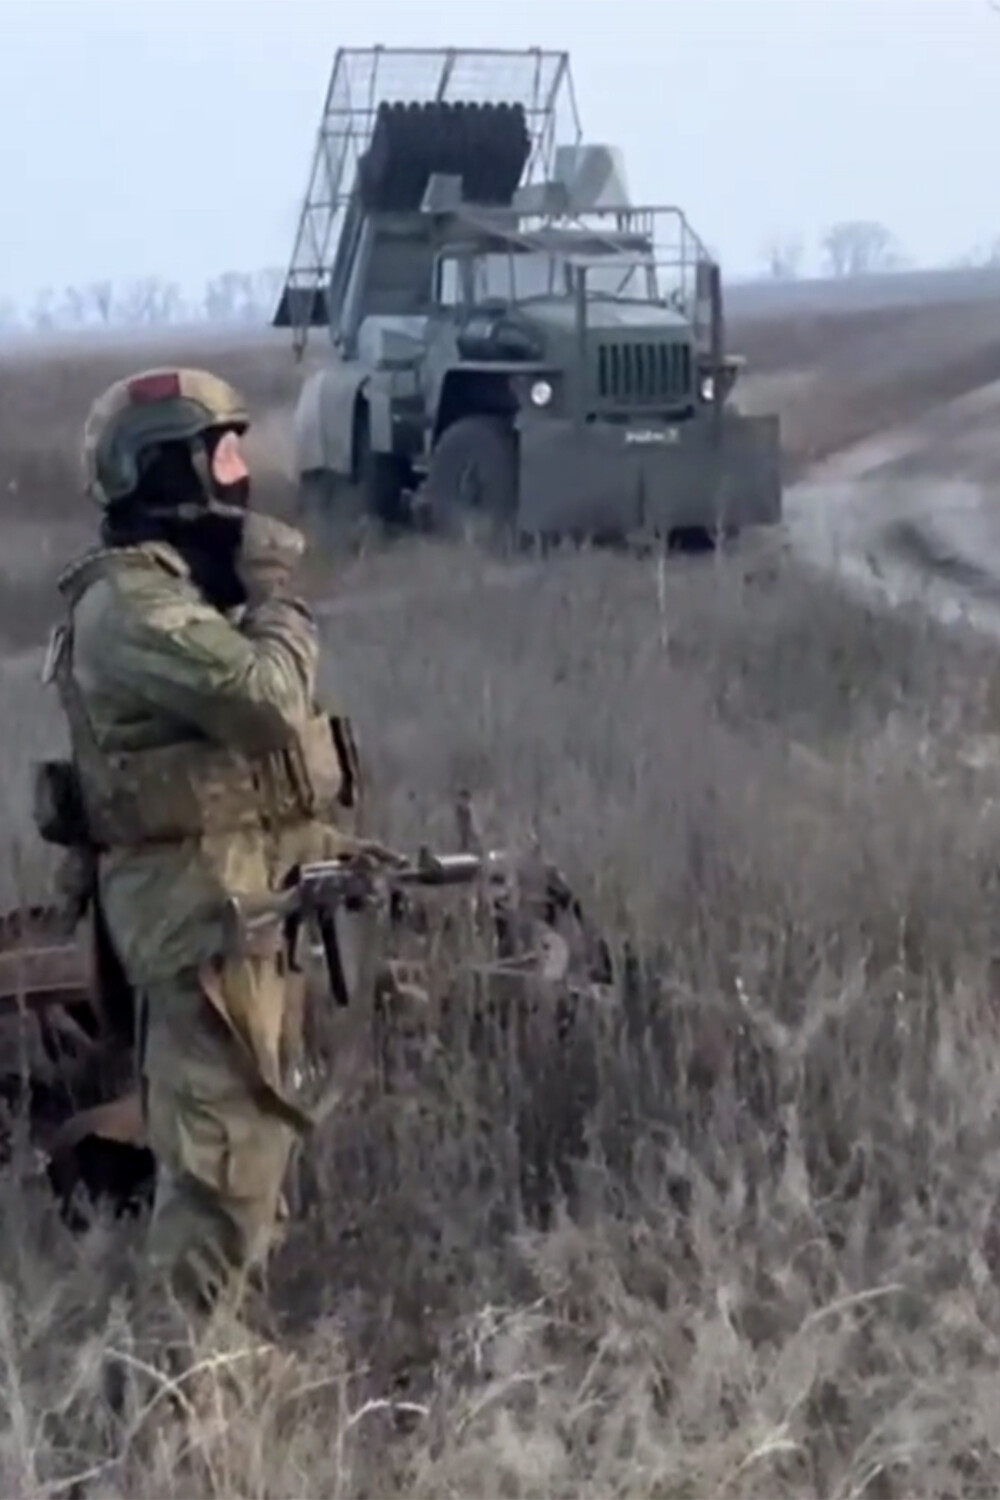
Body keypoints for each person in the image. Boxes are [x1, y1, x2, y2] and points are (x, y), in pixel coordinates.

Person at [37, 366, 363, 1336]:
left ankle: (223, 1377)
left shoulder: (181, 593)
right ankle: (173, 1395)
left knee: (251, 1167)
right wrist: (278, 597)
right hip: (198, 922)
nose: (240, 477)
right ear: (165, 471)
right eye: (219, 456)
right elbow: (267, 700)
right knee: (218, 1185)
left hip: (238, 908)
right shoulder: (130, 607)